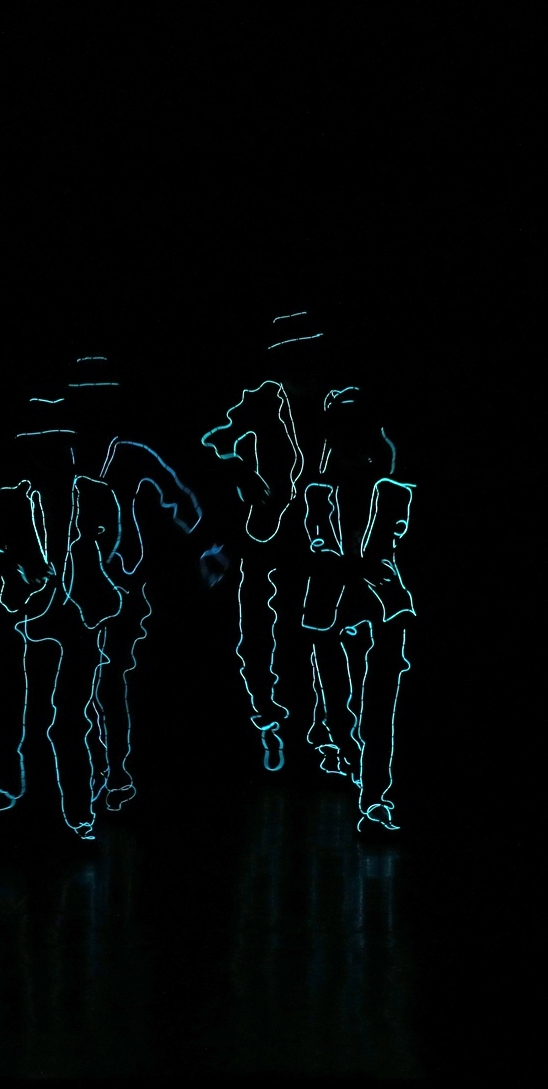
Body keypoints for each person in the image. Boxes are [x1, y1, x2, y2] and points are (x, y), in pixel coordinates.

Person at [201, 313, 413, 829]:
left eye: (306, 353)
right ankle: (278, 724)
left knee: (320, 634)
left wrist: (367, 484)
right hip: (273, 531)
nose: (299, 363)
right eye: (290, 355)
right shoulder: (261, 400)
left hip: (329, 532)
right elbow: (214, 442)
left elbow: (384, 453)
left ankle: (326, 738)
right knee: (267, 633)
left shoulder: (342, 399)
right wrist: (246, 476)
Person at [0, 353, 201, 837]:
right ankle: (28, 786)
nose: (51, 456)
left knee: (84, 704)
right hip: (30, 613)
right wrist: (22, 573)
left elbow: (141, 525)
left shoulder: (109, 477)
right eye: (42, 448)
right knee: (27, 707)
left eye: (57, 446)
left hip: (92, 609)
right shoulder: (15, 498)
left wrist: (111, 574)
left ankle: (94, 794)